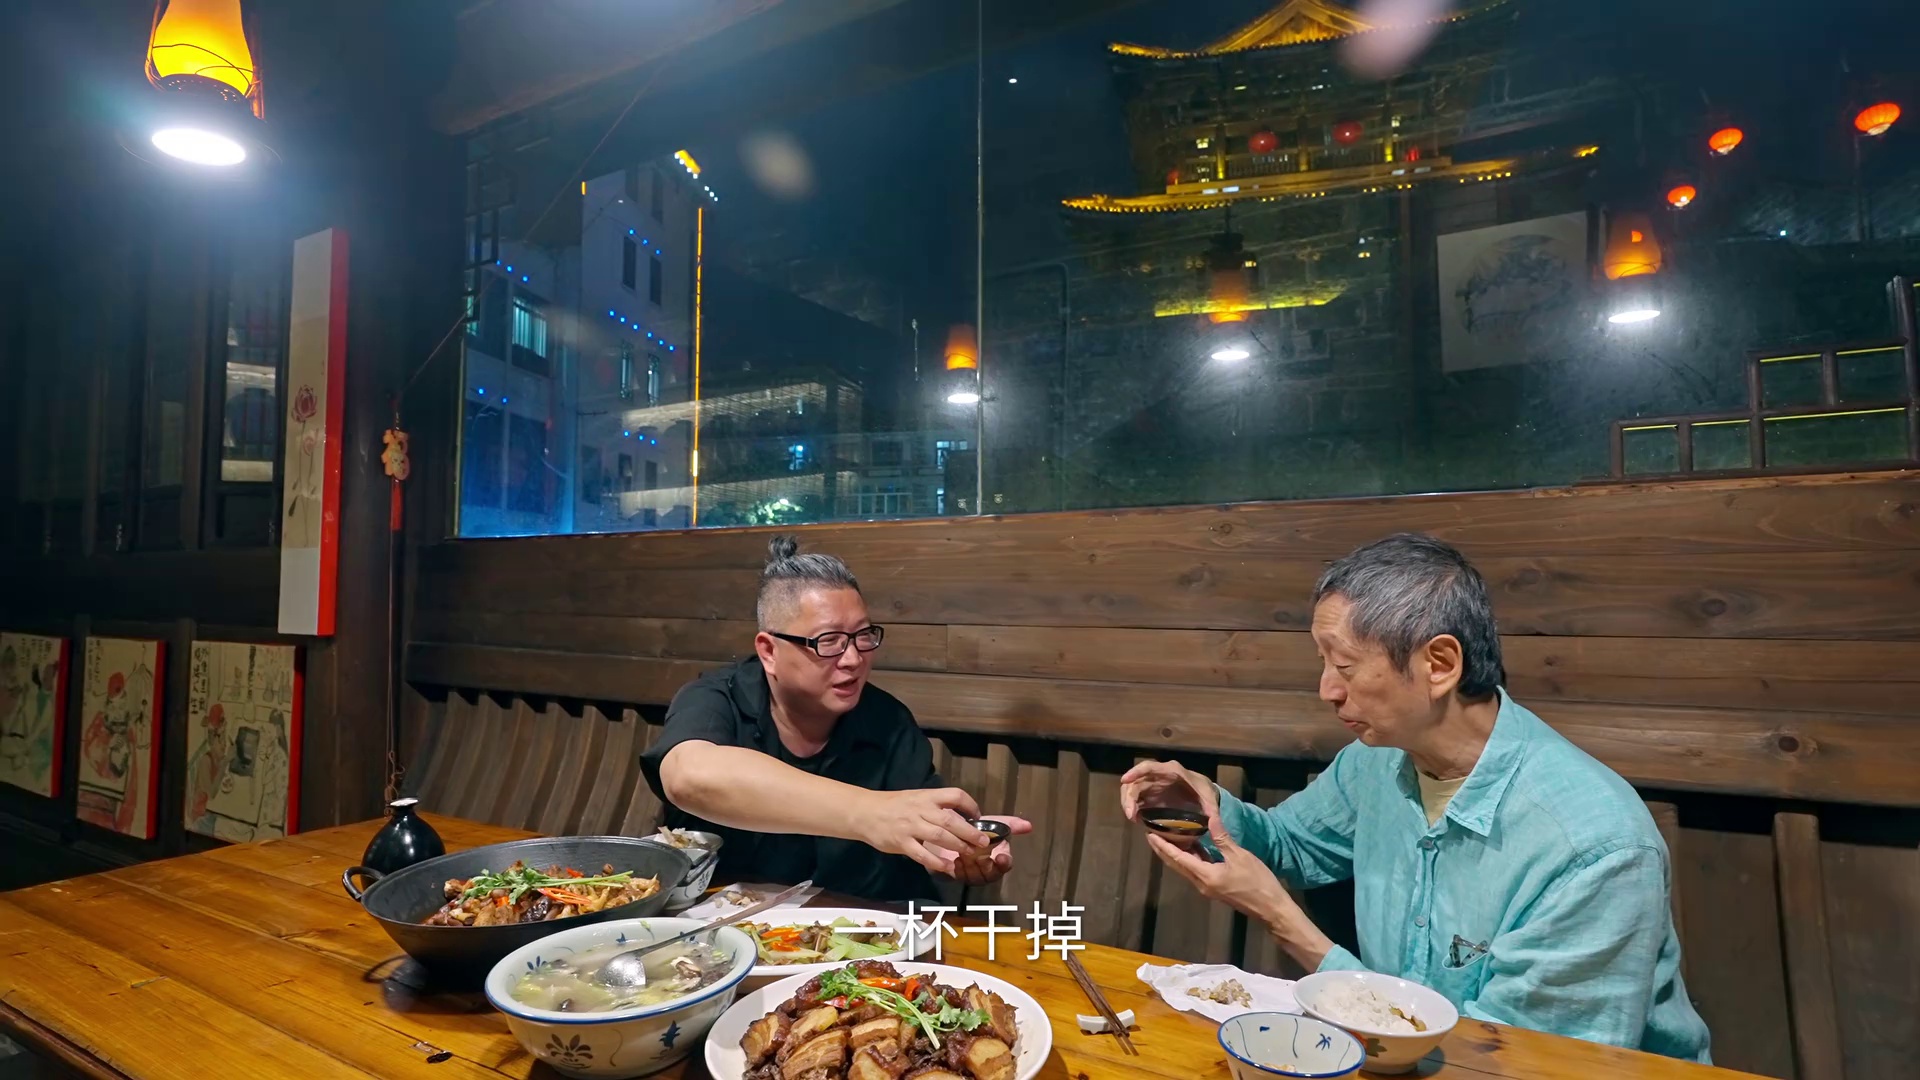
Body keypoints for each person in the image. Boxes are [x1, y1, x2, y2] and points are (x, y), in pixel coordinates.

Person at [1122, 533, 1711, 1062]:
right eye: (1324, 662)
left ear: (1440, 664)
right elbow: (1289, 846)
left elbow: (1519, 1060)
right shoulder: (1377, 760)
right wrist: (1206, 808)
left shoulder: (1594, 848)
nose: (1327, 689)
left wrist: (1282, 920)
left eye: (1345, 665)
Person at [641, 536, 1028, 901]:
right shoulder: (717, 699)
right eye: (829, 641)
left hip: (867, 930)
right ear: (769, 651)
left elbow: (915, 826)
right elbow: (690, 776)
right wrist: (868, 813)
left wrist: (955, 845)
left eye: (863, 636)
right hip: (732, 929)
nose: (854, 659)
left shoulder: (887, 719)